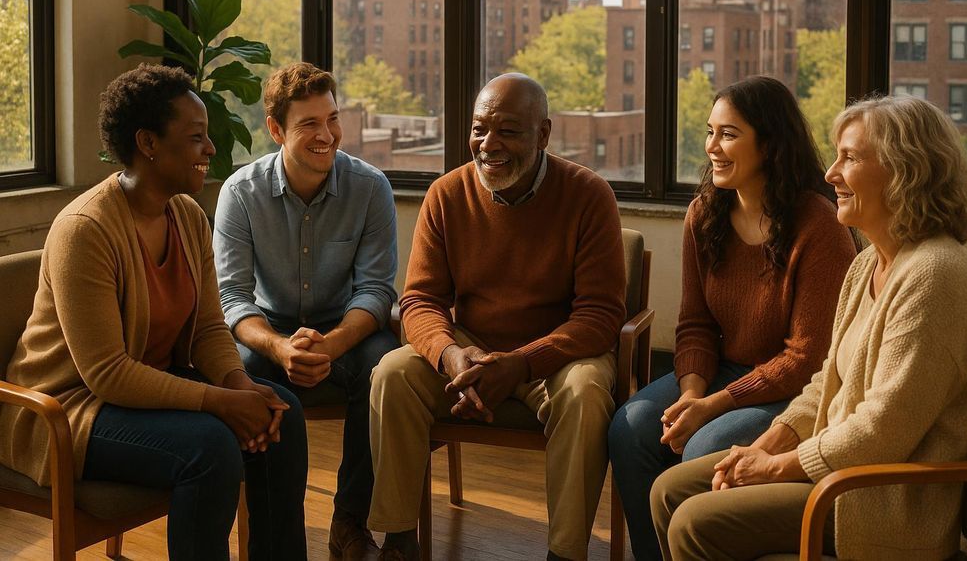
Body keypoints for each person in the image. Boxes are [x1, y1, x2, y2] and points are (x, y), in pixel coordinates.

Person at [650, 95, 967, 560]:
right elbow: (825, 382)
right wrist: (769, 444)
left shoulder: (936, 275)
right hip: (836, 469)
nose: (831, 173)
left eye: (850, 158)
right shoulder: (869, 263)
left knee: (695, 521)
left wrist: (774, 469)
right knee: (668, 490)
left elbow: (881, 432)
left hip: (877, 500)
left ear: (905, 170)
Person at [0, 64, 308, 560]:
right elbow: (107, 374)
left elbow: (209, 325)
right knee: (209, 448)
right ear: (147, 143)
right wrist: (219, 402)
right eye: (196, 137)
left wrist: (239, 385)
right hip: (69, 410)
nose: (210, 148)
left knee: (283, 413)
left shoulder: (186, 214)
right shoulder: (85, 230)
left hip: (143, 389)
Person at [367, 73, 626, 561]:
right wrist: (450, 356)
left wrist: (521, 363)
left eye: (508, 131)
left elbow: (600, 315)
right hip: (470, 349)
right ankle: (398, 539)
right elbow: (420, 300)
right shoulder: (446, 194)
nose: (489, 144)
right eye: (479, 129)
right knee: (392, 373)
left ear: (543, 135)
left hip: (556, 354)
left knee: (588, 393)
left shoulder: (589, 195)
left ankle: (566, 553)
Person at [608, 75, 856, 560]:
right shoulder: (703, 215)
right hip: (721, 374)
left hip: (792, 390)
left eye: (729, 134)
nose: (712, 147)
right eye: (709, 132)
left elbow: (808, 359)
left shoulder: (819, 224)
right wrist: (693, 395)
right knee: (631, 424)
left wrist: (715, 405)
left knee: (705, 446)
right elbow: (695, 324)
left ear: (769, 143)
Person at [213, 61, 398, 560]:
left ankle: (350, 520)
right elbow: (232, 297)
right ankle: (276, 538)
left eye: (332, 118)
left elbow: (377, 292)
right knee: (245, 370)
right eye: (309, 124)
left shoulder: (371, 187)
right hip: (270, 333)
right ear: (275, 130)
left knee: (386, 365)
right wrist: (278, 345)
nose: (327, 135)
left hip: (346, 330)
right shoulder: (240, 193)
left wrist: (331, 344)